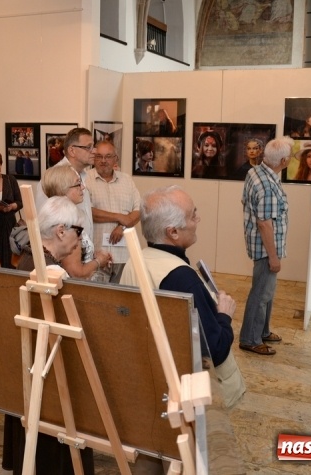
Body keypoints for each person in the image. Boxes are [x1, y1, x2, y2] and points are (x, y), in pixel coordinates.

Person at [119, 185, 242, 474]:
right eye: (193, 214)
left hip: (145, 382)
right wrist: (223, 316)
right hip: (179, 392)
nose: (198, 219)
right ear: (173, 232)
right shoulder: (183, 279)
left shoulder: (134, 263)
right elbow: (216, 348)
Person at [4, 195, 95, 475]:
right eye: (78, 232)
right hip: (50, 376)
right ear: (60, 231)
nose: (80, 239)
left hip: (33, 365)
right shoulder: (51, 271)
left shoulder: (28, 256)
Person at [239, 137, 293, 356]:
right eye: (289, 155)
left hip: (262, 245)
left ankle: (262, 330)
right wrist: (273, 257)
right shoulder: (267, 185)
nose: (291, 158)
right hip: (265, 249)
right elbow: (264, 223)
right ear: (282, 160)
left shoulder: (256, 172)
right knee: (260, 294)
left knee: (266, 292)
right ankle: (250, 339)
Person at [42, 165, 112, 281]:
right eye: (78, 183)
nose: (83, 187)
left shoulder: (56, 215)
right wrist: (99, 261)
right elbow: (75, 273)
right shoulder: (66, 222)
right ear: (63, 189)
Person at [85, 140, 140, 282]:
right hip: (97, 256)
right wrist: (120, 217)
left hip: (125, 256)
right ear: (94, 158)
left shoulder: (127, 180)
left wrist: (122, 226)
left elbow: (138, 210)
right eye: (99, 156)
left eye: (108, 156)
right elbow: (88, 212)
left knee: (122, 301)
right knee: (98, 300)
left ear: (116, 158)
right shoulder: (85, 179)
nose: (103, 161)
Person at [35, 127, 95, 240]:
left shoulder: (84, 175)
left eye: (93, 146)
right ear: (72, 150)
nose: (94, 151)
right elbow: (43, 223)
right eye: (88, 147)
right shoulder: (54, 177)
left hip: (82, 249)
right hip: (64, 250)